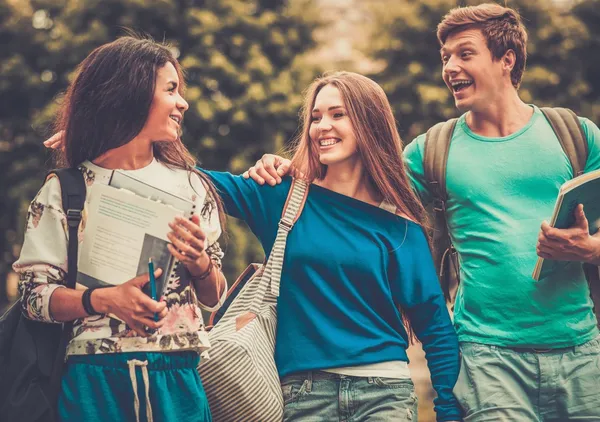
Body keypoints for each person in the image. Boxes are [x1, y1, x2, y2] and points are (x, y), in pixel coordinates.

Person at [245, 4, 600, 421]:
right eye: (445, 56)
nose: (450, 67)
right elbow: (350, 189)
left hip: (580, 349)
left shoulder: (575, 134)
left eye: (465, 54)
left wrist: (591, 248)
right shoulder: (430, 152)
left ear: (507, 59)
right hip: (487, 356)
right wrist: (290, 171)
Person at [202, 71, 461, 422]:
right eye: (316, 116)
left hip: (385, 394)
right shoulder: (281, 197)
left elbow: (435, 326)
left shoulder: (399, 224)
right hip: (304, 396)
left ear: (369, 122)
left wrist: (448, 410)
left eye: (338, 114)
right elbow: (195, 184)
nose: (322, 125)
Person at [16, 36, 227, 422]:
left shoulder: (192, 186)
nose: (183, 102)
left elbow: (214, 296)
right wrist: (104, 299)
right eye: (171, 90)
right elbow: (33, 299)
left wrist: (199, 261)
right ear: (130, 94)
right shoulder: (65, 189)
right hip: (93, 382)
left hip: (177, 378)